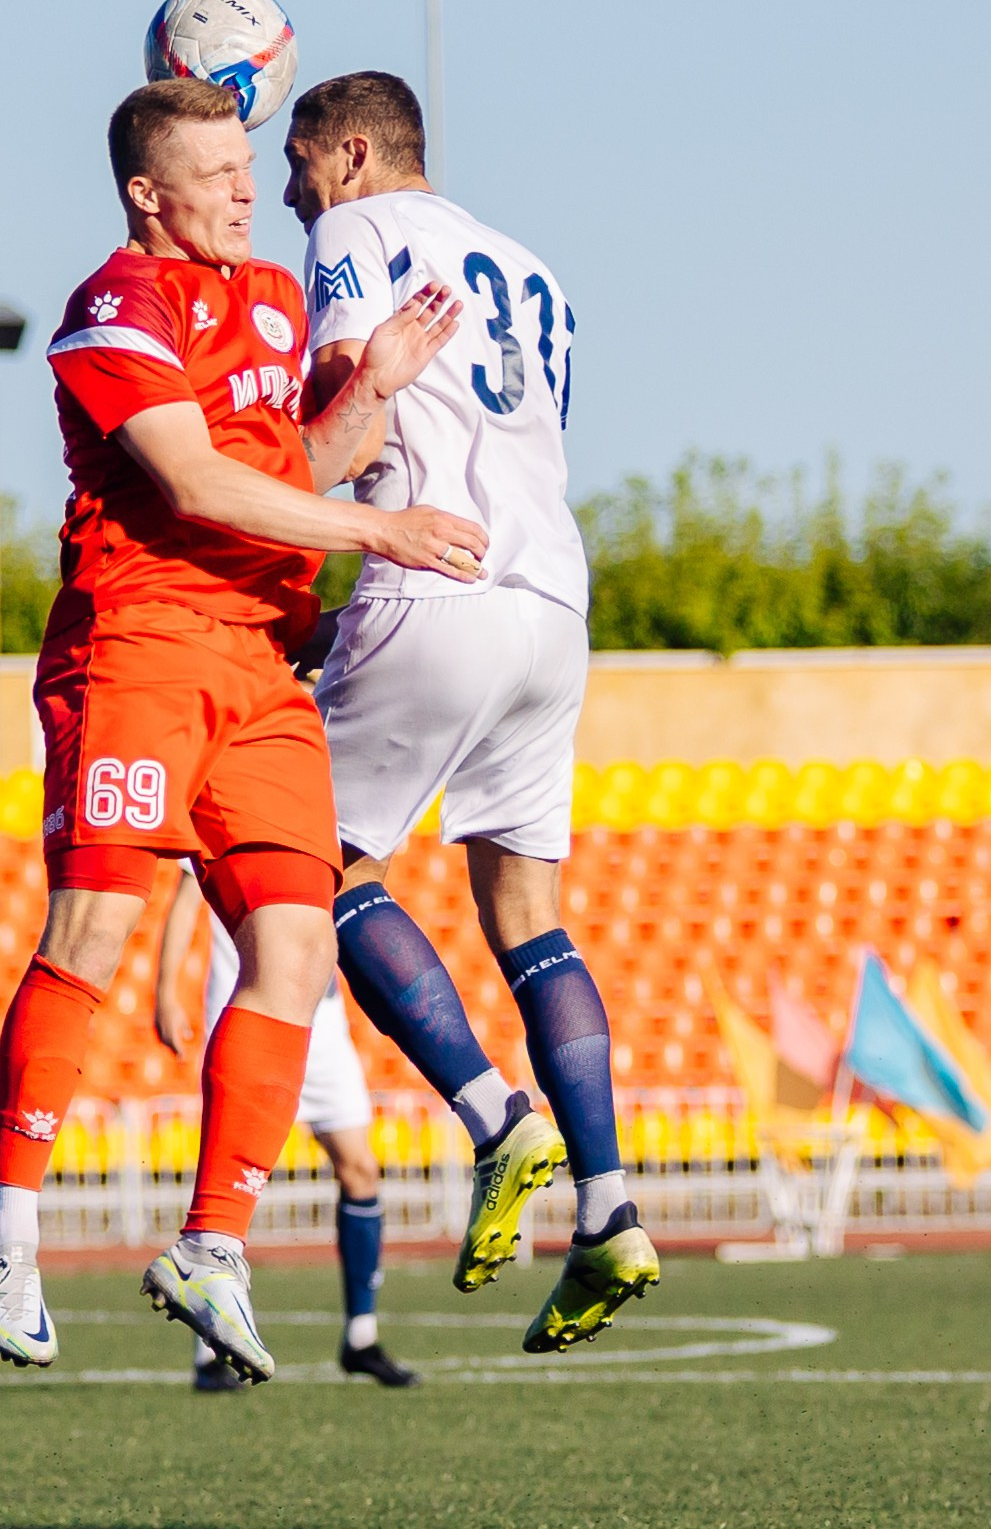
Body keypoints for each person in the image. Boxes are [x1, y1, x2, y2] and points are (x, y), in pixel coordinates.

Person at [0, 75, 488, 1384]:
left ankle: (212, 1245)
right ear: (151, 193)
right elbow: (193, 480)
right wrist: (381, 529)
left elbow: (284, 472)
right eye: (220, 177)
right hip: (139, 652)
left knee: (298, 952)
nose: (253, 193)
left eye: (254, 173)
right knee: (91, 934)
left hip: (261, 672)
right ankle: (7, 1237)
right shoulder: (114, 307)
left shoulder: (270, 296)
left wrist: (368, 391)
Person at [280, 72, 659, 1353]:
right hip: (555, 597)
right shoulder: (535, 269)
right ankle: (609, 1208)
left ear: (352, 151)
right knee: (527, 914)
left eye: (294, 164)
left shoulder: (356, 231)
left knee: (319, 864)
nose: (286, 194)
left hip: (436, 566)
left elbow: (346, 395)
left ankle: (496, 1119)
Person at [153, 864, 415, 1389]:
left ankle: (360, 1336)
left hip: (322, 1014)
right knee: (232, 1175)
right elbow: (187, 895)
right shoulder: (237, 791)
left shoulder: (332, 805)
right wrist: (164, 990)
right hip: (249, 1008)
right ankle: (208, 1349)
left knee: (360, 1169)